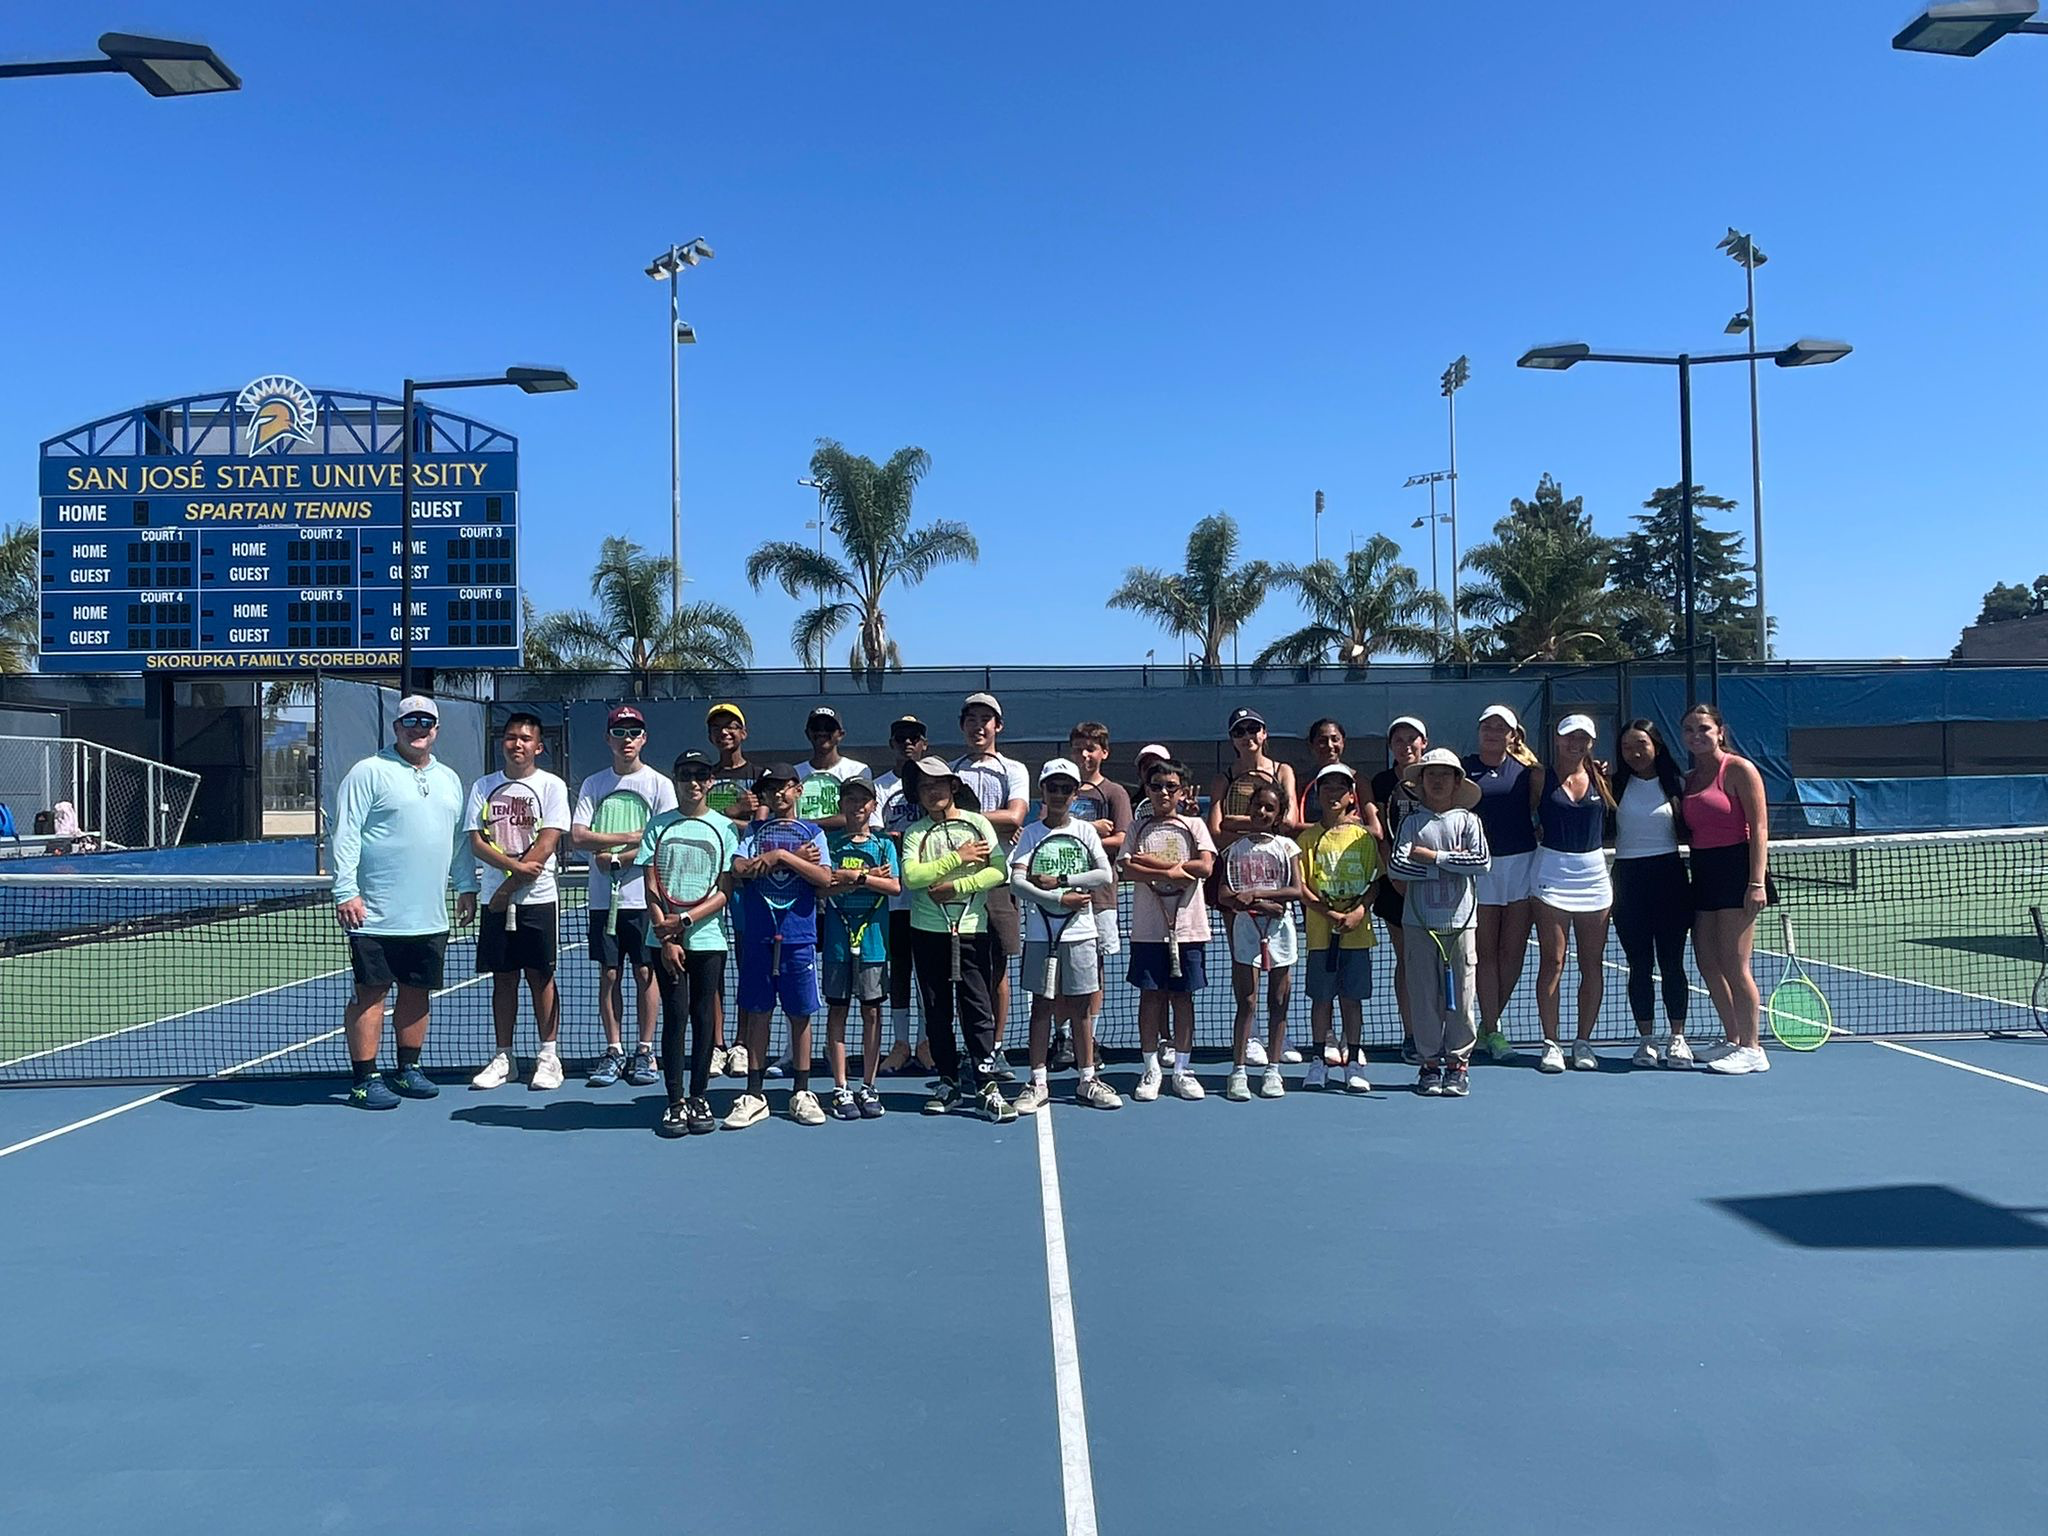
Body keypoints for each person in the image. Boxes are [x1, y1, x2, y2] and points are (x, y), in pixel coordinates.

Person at [329, 695, 474, 1110]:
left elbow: (459, 841)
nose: (418, 728)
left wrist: (466, 886)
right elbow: (347, 834)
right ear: (396, 727)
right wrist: (345, 891)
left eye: (426, 722)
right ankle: (364, 1078)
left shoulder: (449, 779)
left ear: (436, 730)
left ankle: (408, 1069)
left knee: (416, 993)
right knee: (370, 995)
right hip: (373, 913)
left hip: (428, 915)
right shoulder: (368, 772)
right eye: (410, 721)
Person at [900, 756, 1014, 1122]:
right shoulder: (916, 833)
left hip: (971, 931)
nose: (932, 792)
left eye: (938, 785)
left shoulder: (978, 823)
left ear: (952, 788)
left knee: (977, 1009)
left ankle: (985, 1084)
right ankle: (948, 1080)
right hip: (927, 933)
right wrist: (957, 858)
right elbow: (912, 878)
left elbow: (999, 870)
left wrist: (956, 887)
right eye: (924, 787)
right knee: (936, 1012)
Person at [464, 711, 573, 1091]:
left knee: (541, 977)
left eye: (526, 738)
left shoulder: (552, 786)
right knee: (503, 979)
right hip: (495, 899)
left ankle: (548, 1057)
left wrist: (508, 888)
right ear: (503, 743)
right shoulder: (483, 786)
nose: (517, 744)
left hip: (539, 898)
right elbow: (477, 841)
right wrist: (512, 871)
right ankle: (503, 1057)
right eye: (511, 737)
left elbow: (548, 840)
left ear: (538, 747)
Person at [571, 704, 678, 1089]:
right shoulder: (594, 785)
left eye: (634, 733)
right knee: (609, 974)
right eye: (620, 732)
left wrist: (619, 857)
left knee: (646, 972)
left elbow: (663, 840)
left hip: (647, 900)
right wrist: (628, 840)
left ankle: (645, 1050)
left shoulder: (659, 785)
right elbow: (579, 836)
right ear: (608, 739)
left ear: (644, 738)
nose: (627, 739)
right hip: (604, 902)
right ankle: (614, 1050)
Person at [1010, 758, 1121, 1112]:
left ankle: (1087, 1079)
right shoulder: (1031, 834)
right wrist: (1059, 899)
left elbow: (1103, 875)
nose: (1059, 794)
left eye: (1066, 788)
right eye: (1052, 787)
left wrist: (1061, 882)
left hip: (1081, 933)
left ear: (1075, 794)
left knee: (1082, 1008)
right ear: (1042, 791)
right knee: (1041, 1007)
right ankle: (1038, 1081)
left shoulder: (1086, 832)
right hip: (1041, 936)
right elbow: (1017, 882)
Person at [727, 764, 835, 1127]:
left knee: (800, 1014)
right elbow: (739, 868)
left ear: (798, 790)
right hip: (759, 933)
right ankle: (754, 1094)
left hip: (799, 935)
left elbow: (823, 877)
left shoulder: (814, 833)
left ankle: (801, 1092)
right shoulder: (755, 831)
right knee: (758, 1012)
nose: (778, 795)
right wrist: (779, 859)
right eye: (770, 789)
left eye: (784, 788)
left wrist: (781, 857)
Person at [639, 750, 737, 1137]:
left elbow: (724, 890)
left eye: (701, 775)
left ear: (710, 781)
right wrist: (665, 934)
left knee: (704, 1018)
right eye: (685, 775)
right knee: (676, 1018)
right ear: (676, 779)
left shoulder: (725, 828)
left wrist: (684, 921)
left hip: (708, 940)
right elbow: (651, 885)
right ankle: (674, 1101)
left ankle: (699, 1097)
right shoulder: (658, 826)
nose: (693, 782)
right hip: (663, 940)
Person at [1387, 748, 1492, 1097]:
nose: (1436, 780)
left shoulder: (1470, 821)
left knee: (1462, 998)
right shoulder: (1411, 823)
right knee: (1423, 997)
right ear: (1420, 781)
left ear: (1457, 781)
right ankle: (1430, 1065)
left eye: (1445, 774)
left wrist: (1432, 857)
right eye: (1430, 774)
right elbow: (1397, 867)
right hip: (1419, 924)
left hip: (1461, 924)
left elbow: (1481, 862)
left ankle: (1458, 1065)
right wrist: (1448, 864)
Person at [1681, 703, 1772, 1075]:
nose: (1696, 735)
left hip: (1739, 870)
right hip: (1703, 870)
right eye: (1689, 730)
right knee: (1707, 960)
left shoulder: (1738, 769)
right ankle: (1733, 1038)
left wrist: (1755, 882)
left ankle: (1753, 1048)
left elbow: (1761, 828)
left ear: (1720, 731)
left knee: (1735, 963)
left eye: (1704, 728)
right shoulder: (1688, 779)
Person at [1120, 757, 1217, 1102]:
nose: (1163, 792)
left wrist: (1156, 866)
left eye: (1171, 786)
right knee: (1150, 997)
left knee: (1182, 998)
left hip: (1189, 928)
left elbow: (1204, 867)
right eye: (1156, 786)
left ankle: (1182, 1069)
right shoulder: (1137, 827)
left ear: (1183, 791)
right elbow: (1128, 869)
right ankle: (1152, 1069)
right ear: (1147, 790)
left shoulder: (1195, 826)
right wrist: (1175, 872)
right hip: (1148, 929)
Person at [950, 691, 1030, 1079]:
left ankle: (994, 1049)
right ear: (962, 725)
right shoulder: (950, 771)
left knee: (996, 969)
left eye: (986, 719)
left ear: (998, 726)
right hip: (955, 880)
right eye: (971, 719)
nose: (978, 726)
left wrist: (967, 816)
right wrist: (991, 822)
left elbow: (1015, 817)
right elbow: (940, 821)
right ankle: (970, 1047)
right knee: (962, 972)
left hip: (999, 880)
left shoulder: (1013, 770)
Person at [1531, 715, 1617, 1074]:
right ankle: (1552, 1043)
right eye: (1569, 737)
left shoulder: (1601, 776)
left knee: (1591, 964)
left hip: (1594, 876)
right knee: (1553, 961)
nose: (1575, 743)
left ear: (1591, 742)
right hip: (1550, 872)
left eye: (1583, 738)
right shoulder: (1538, 776)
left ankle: (1583, 1041)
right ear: (1557, 738)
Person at [1612, 719, 1695, 1069]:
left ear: (1656, 747)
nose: (1634, 752)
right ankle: (1647, 1041)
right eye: (1627, 746)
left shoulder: (1677, 784)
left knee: (1673, 963)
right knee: (1639, 965)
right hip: (1628, 882)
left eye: (1641, 744)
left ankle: (1678, 1039)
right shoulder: (1611, 785)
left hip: (1670, 879)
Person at [1464, 704, 1542, 1062]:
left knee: (1514, 951)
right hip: (1482, 869)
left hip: (1523, 864)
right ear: (1479, 732)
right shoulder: (1463, 769)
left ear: (1513, 735)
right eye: (1487, 727)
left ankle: (1488, 1024)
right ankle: (1493, 1029)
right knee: (1486, 953)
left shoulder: (1529, 772)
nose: (1493, 732)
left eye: (1501, 728)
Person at [820, 777, 900, 1120]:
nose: (857, 806)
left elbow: (894, 887)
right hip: (837, 943)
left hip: (874, 943)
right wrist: (850, 878)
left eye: (863, 801)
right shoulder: (829, 845)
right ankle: (841, 1087)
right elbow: (820, 888)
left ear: (872, 807)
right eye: (850, 799)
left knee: (871, 1013)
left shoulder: (884, 846)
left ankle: (868, 1085)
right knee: (837, 1012)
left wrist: (857, 877)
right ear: (842, 805)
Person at [1296, 764, 1378, 1093]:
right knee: (1321, 999)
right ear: (1317, 793)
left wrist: (1358, 911)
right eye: (1326, 786)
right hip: (1320, 935)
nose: (1333, 793)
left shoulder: (1363, 838)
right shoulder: (1306, 839)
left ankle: (1353, 1061)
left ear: (1350, 796)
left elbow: (1377, 881)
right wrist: (1328, 913)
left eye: (1340, 788)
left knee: (1352, 1000)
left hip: (1357, 934)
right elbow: (1302, 887)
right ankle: (1318, 1062)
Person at [1219, 780, 1302, 1101]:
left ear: (1279, 813)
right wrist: (1261, 903)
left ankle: (1272, 1070)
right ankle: (1238, 1071)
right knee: (1247, 1002)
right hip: (1246, 930)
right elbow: (1225, 894)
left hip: (1280, 932)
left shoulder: (1286, 847)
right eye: (1257, 806)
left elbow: (1295, 890)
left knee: (1279, 1002)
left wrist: (1257, 893)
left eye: (1270, 808)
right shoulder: (1234, 850)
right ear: (1248, 809)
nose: (1262, 812)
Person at [1063, 721, 1133, 1074]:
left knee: (1095, 970)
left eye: (1091, 749)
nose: (1085, 755)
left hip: (1101, 896)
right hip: (1060, 896)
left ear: (1104, 752)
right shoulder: (1061, 789)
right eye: (1078, 749)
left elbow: (1122, 839)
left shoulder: (1115, 793)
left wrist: (1079, 836)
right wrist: (1090, 830)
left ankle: (1087, 1038)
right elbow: (1051, 831)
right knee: (1061, 967)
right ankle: (1063, 1037)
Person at [874, 715, 935, 1077]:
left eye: (914, 738)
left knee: (930, 975)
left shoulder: (933, 783)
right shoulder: (881, 787)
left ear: (924, 743)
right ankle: (900, 1044)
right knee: (899, 972)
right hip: (895, 899)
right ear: (892, 744)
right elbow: (882, 838)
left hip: (930, 898)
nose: (907, 744)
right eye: (901, 739)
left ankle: (926, 1043)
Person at [702, 700, 758, 1077]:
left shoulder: (759, 774)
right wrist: (736, 812)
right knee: (712, 966)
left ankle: (741, 1044)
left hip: (744, 885)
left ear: (743, 732)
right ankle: (716, 1045)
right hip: (704, 882)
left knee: (746, 964)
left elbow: (759, 829)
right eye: (718, 727)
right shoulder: (701, 776)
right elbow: (697, 820)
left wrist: (735, 819)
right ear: (710, 735)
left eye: (732, 726)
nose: (725, 732)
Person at [1372, 716, 1429, 1066]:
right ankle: (1412, 1034)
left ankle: (1436, 1031)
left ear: (1424, 742)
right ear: (1391, 746)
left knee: (1437, 962)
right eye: (1398, 740)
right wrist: (1396, 876)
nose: (1406, 746)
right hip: (1396, 884)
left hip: (1438, 883)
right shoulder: (1382, 782)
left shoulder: (1439, 775)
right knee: (1408, 958)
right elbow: (1381, 834)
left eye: (1413, 739)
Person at [1298, 717, 1371, 832]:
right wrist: (1340, 823)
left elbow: (1376, 830)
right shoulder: (1302, 782)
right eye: (1322, 741)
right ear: (1311, 745)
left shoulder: (1358, 780)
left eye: (1335, 739)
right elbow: (1290, 826)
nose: (1330, 745)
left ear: (1343, 742)